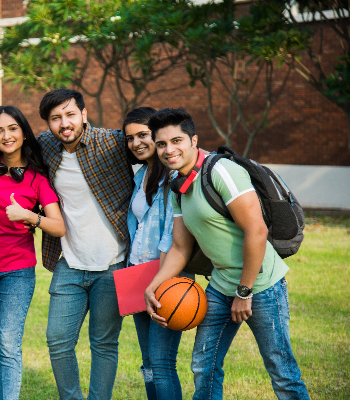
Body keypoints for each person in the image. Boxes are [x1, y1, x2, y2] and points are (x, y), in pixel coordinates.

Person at [0, 88, 135, 400]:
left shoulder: (111, 142)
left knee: (104, 343)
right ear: (46, 124)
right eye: (55, 118)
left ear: (84, 115)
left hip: (114, 263)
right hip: (69, 263)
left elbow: (147, 142)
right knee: (58, 341)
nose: (64, 123)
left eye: (70, 114)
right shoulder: (46, 145)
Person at [144, 108, 310, 400]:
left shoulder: (221, 171)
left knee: (281, 370)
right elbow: (181, 247)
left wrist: (244, 292)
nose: (169, 150)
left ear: (193, 140)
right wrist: (154, 285)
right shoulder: (177, 185)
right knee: (204, 366)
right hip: (221, 286)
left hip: (261, 285)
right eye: (161, 144)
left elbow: (256, 231)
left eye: (177, 140)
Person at [0, 105, 65, 400]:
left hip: (16, 271)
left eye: (12, 128)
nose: (6, 136)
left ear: (23, 132)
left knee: (8, 343)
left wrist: (28, 216)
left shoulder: (37, 179)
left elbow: (58, 227)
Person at [124, 107, 191, 400]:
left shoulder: (175, 178)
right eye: (130, 138)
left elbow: (173, 238)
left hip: (166, 277)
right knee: (149, 363)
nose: (136, 142)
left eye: (143, 135)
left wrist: (158, 284)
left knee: (162, 363)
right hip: (136, 275)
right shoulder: (141, 177)